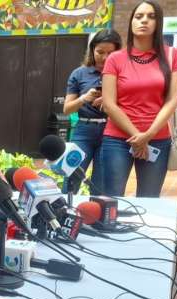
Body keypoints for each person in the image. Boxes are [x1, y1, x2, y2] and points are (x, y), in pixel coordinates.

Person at [100, 0, 177, 197]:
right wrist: (138, 137)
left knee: (149, 198)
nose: (144, 20)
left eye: (151, 16)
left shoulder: (173, 55)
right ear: (131, 22)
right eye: (139, 16)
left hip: (157, 139)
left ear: (159, 22)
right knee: (110, 199)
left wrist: (148, 135)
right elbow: (109, 104)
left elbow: (172, 100)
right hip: (118, 139)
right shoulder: (115, 58)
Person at [62, 29, 122, 195]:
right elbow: (67, 109)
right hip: (84, 131)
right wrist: (84, 98)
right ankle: (62, 216)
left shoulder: (123, 74)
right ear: (92, 50)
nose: (105, 57)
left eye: (111, 53)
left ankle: (96, 218)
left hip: (111, 131)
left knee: (100, 184)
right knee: (72, 176)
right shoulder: (79, 73)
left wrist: (109, 99)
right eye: (100, 52)